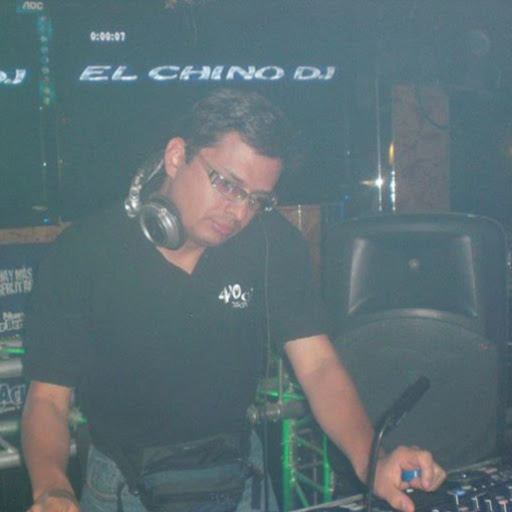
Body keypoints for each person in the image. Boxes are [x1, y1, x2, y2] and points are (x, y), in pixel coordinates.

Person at [21, 88, 446, 512]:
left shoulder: (273, 243)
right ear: (176, 156)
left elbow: (318, 366)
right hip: (123, 488)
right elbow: (48, 400)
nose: (239, 212)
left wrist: (372, 459)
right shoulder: (85, 253)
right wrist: (52, 487)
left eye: (257, 200)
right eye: (228, 185)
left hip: (239, 480)